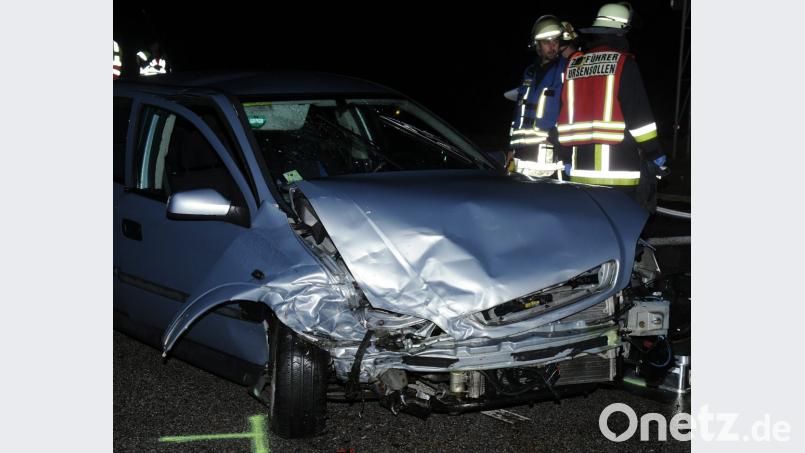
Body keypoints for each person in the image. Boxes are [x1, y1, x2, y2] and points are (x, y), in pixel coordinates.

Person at [555, 2, 666, 211]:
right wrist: (655, 153)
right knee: (620, 234)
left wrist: (565, 156)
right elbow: (640, 119)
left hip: (580, 172)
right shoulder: (624, 63)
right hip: (618, 172)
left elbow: (564, 116)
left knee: (588, 231)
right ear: (621, 32)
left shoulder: (575, 65)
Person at [507, 16, 578, 178]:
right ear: (537, 45)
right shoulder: (529, 73)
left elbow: (571, 110)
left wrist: (556, 138)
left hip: (547, 154)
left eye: (555, 41)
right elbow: (518, 112)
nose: (552, 46)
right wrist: (511, 148)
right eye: (547, 42)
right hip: (520, 153)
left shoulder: (566, 70)